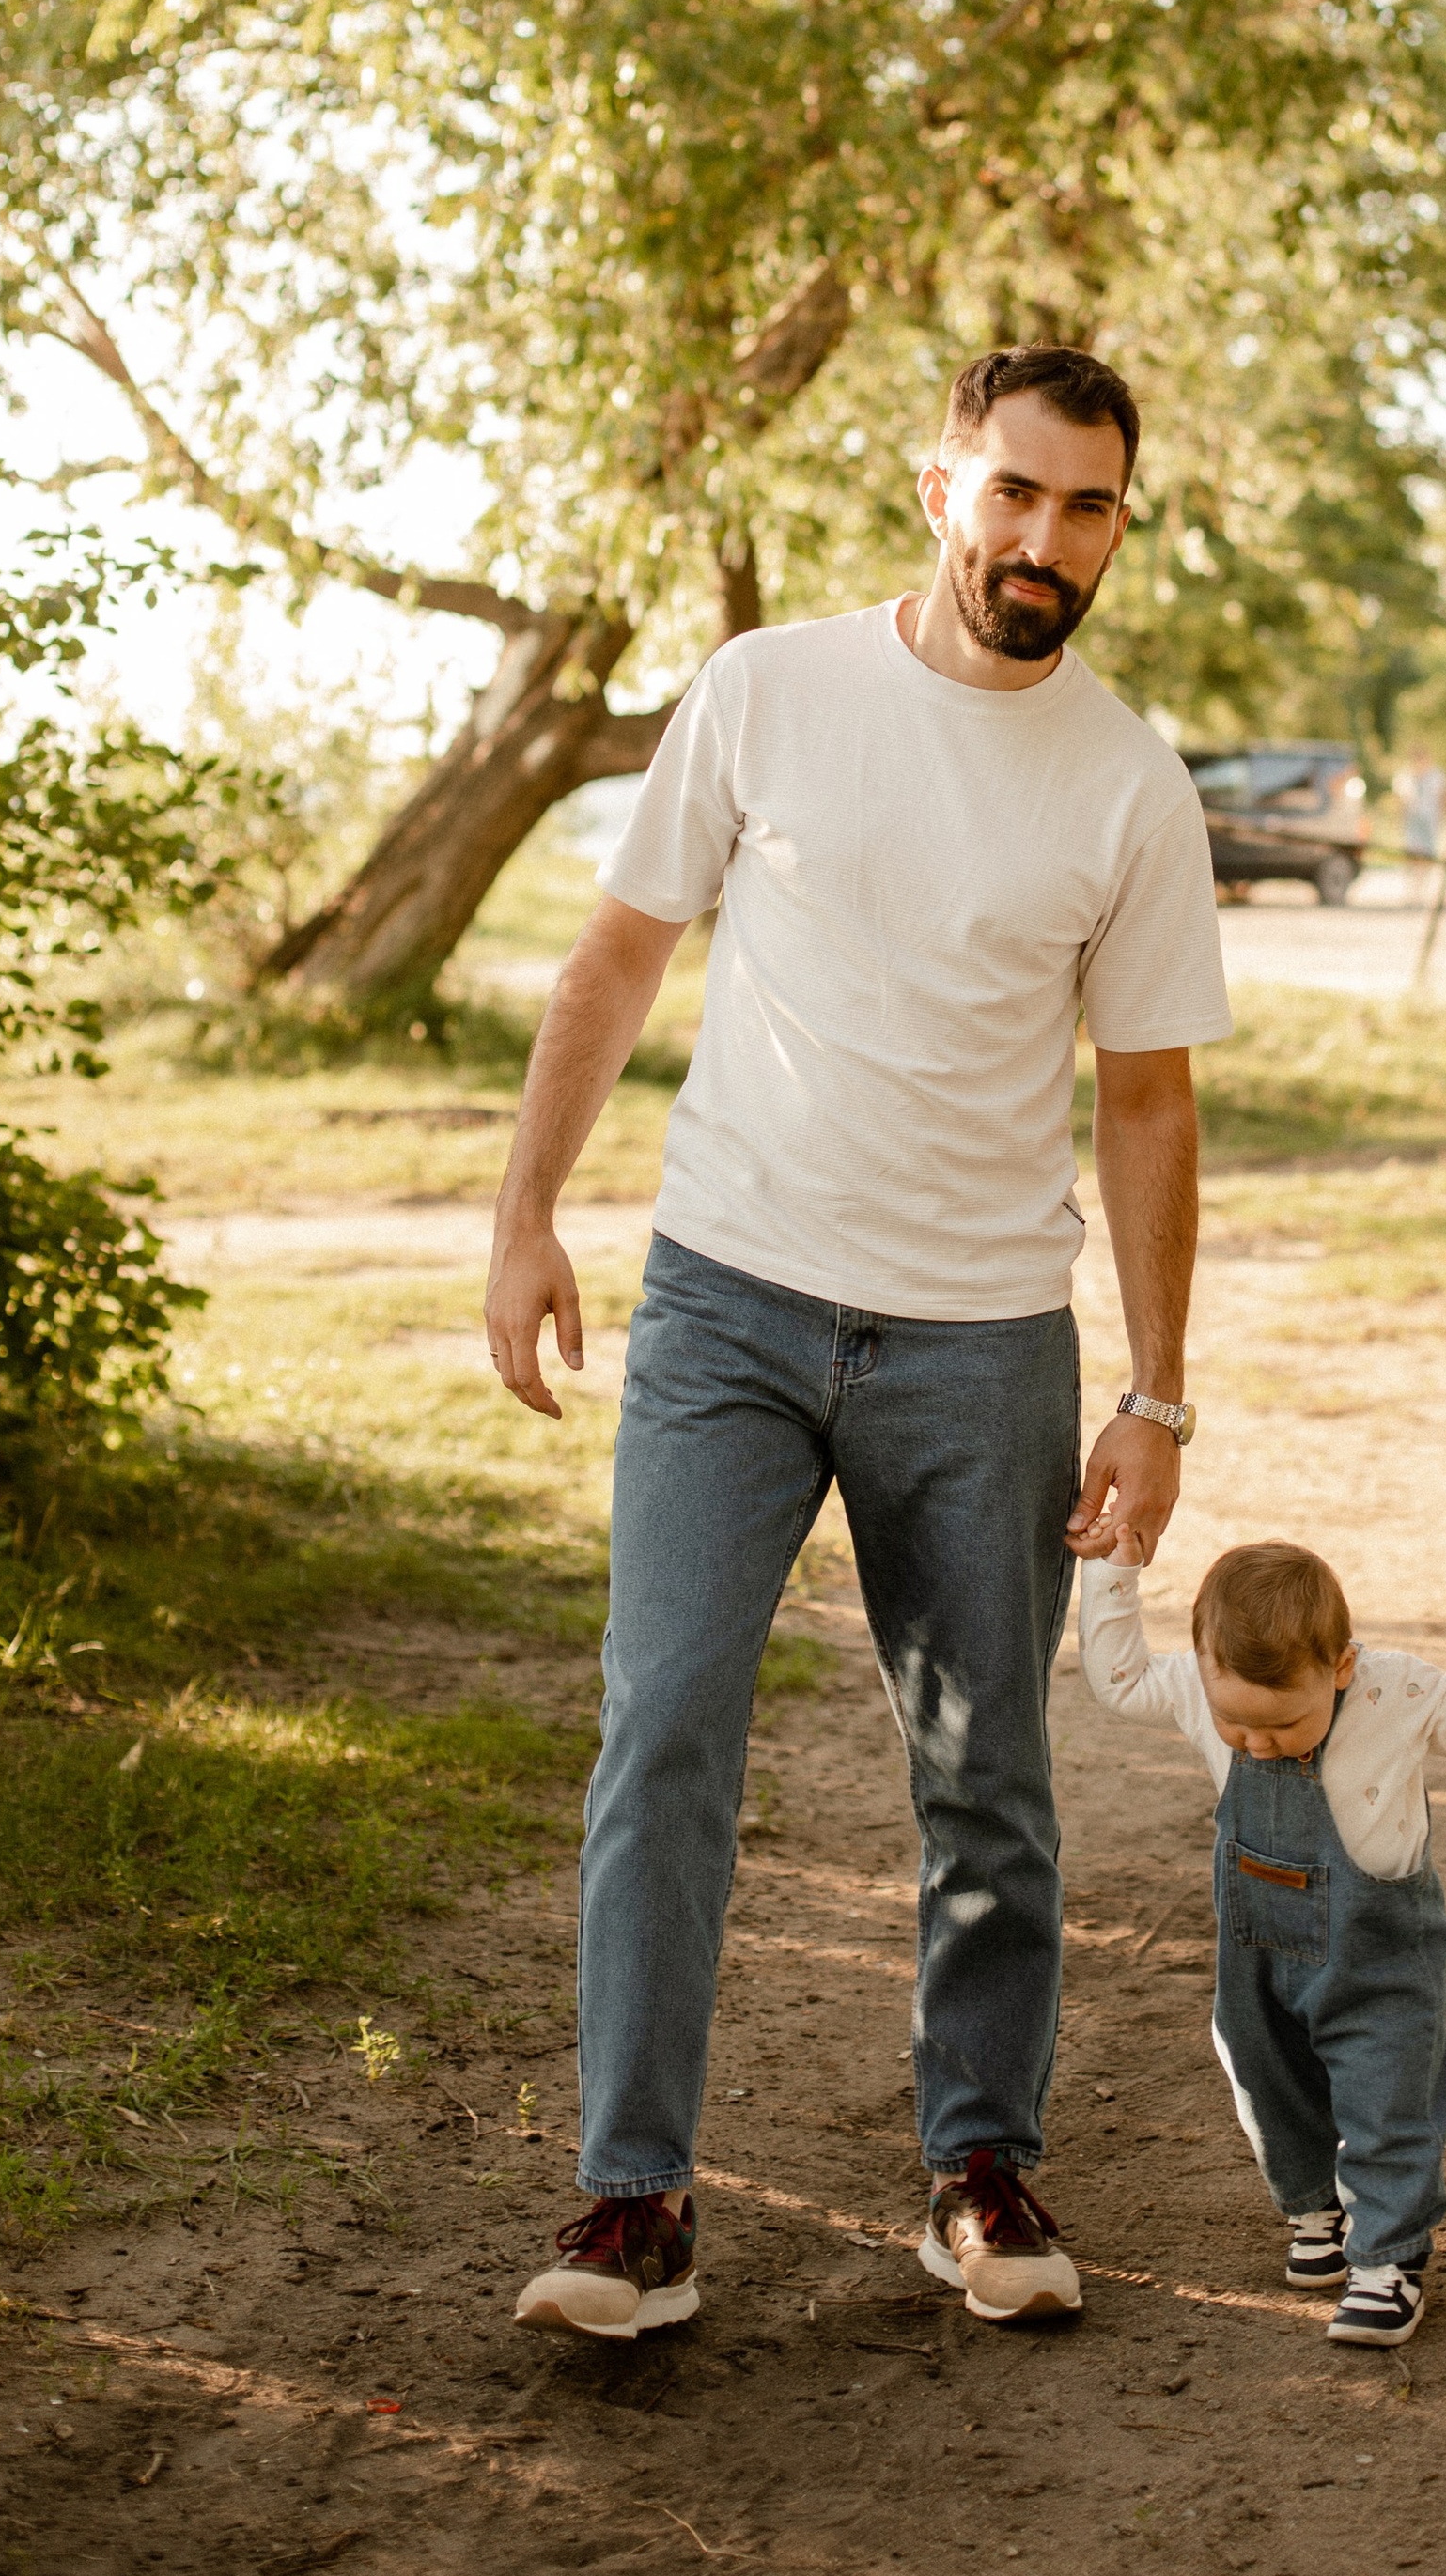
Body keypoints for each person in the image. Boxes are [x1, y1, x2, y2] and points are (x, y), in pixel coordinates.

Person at [483, 346, 1233, 2344]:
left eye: (1087, 508)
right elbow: (616, 955)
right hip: (727, 1301)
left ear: (1118, 530)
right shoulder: (765, 691)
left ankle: (980, 2171)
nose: (1045, 539)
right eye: (1015, 492)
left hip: (984, 1339)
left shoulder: (1129, 783)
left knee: (988, 1776)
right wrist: (527, 1213)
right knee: (663, 1727)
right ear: (938, 490)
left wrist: (1155, 1393)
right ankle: (633, 2201)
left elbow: (1147, 1100)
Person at [1077, 1534, 1446, 2347]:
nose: (1256, 1743)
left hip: (1379, 1958)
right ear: (1205, 1669)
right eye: (1234, 1724)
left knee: (1385, 2100)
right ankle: (1314, 2210)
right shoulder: (1198, 1684)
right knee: (1267, 2085)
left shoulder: (1394, 1691)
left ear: (1341, 1667)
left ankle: (1388, 2259)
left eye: (1285, 1723)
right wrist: (1115, 1568)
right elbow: (1118, 1680)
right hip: (1257, 1955)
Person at [1394, 758, 1446, 878]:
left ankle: (1424, 875)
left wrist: (1442, 814)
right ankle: (1413, 875)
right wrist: (1401, 817)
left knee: (1428, 848)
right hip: (1412, 817)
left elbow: (1443, 795)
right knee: (1412, 847)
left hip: (1429, 817)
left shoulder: (1436, 776)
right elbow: (1401, 799)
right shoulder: (1406, 776)